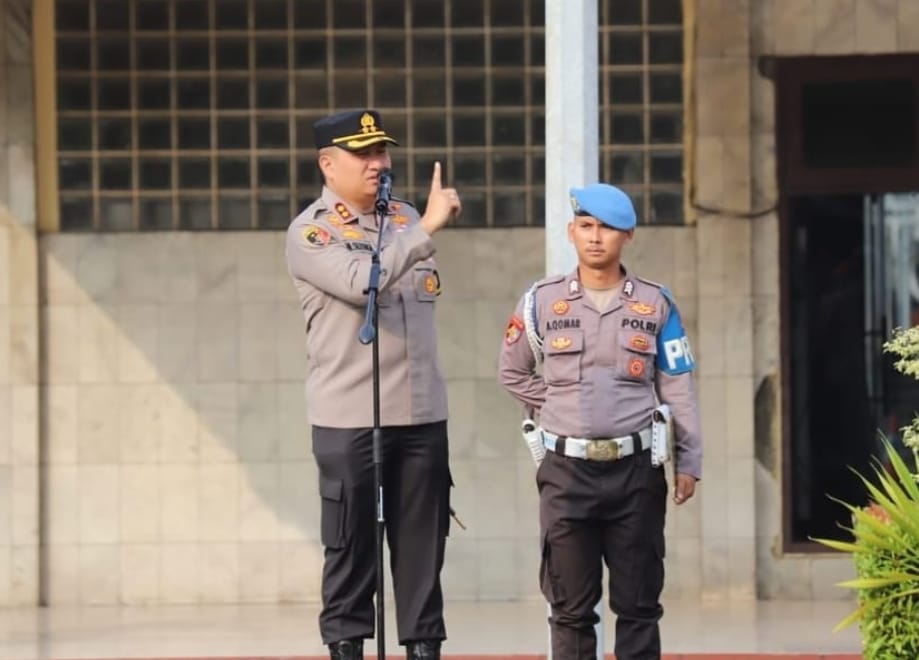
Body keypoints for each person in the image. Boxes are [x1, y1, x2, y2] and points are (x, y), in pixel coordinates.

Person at [498, 183, 702, 660]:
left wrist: (689, 460)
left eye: (607, 228)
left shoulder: (656, 304)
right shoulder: (541, 302)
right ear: (571, 231)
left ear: (628, 236)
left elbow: (677, 386)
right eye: (585, 226)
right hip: (566, 473)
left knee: (639, 606)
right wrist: (556, 403)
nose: (595, 237)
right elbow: (512, 371)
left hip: (637, 472)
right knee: (570, 610)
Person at [285, 109, 461, 660]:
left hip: (422, 416)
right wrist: (425, 229)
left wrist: (416, 226)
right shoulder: (312, 231)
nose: (377, 163)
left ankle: (423, 648)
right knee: (350, 551)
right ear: (328, 164)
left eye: (381, 151)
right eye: (363, 154)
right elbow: (365, 280)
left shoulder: (404, 218)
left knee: (423, 553)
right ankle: (346, 646)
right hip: (349, 420)